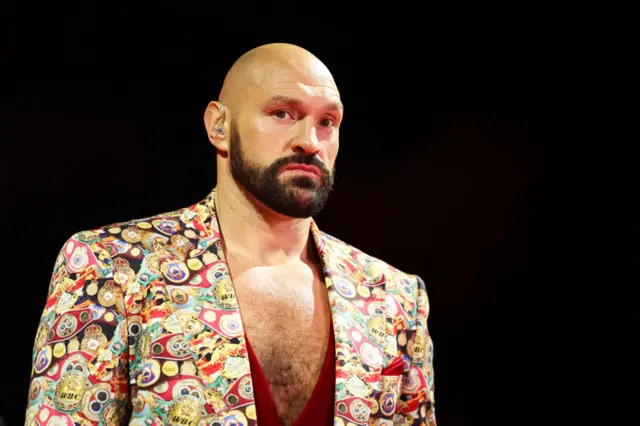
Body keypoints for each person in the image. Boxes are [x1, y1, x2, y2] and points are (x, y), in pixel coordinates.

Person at [24, 43, 436, 426]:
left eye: (327, 121)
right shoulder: (114, 265)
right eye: (283, 114)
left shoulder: (391, 296)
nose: (310, 142)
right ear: (218, 126)